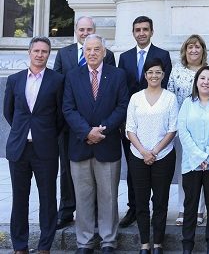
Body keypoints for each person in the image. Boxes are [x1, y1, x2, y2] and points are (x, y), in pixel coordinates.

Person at [62, 34, 129, 253]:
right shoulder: (72, 76)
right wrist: (86, 132)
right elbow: (68, 109)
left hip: (107, 144)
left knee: (108, 196)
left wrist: (102, 130)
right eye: (88, 49)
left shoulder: (117, 75)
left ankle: (108, 240)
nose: (92, 53)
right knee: (83, 197)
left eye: (96, 49)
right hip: (80, 145)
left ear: (104, 52)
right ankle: (85, 241)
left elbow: (122, 106)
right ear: (83, 52)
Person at [52, 15, 115, 230]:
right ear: (76, 31)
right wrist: (78, 125)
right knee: (69, 170)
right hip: (70, 123)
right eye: (81, 29)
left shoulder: (108, 55)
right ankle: (67, 209)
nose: (85, 32)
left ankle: (96, 212)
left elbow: (110, 90)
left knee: (97, 173)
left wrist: (96, 128)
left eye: (89, 29)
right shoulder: (64, 54)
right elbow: (59, 89)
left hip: (100, 126)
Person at [4, 37, 64, 254]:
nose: (40, 55)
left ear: (49, 54)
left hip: (45, 149)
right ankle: (20, 246)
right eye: (36, 50)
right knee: (20, 199)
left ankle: (44, 247)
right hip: (19, 149)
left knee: (48, 199)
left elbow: (60, 116)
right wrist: (24, 132)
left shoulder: (57, 80)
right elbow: (9, 112)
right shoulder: (14, 80)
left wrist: (44, 134)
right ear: (29, 52)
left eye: (44, 51)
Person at [117, 15, 173, 229]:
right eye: (138, 29)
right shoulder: (125, 57)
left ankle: (157, 209)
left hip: (157, 122)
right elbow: (122, 91)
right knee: (134, 168)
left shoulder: (162, 55)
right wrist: (124, 122)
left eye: (145, 29)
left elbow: (164, 86)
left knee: (158, 171)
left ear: (152, 31)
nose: (141, 33)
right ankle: (134, 207)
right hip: (132, 124)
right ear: (133, 32)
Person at [125, 57, 178, 254]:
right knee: (141, 201)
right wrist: (144, 151)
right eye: (150, 72)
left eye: (158, 72)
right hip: (138, 155)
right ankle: (144, 244)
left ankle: (158, 243)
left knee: (160, 201)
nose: (154, 75)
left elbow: (173, 129)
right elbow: (130, 129)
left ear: (163, 75)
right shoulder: (135, 98)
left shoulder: (170, 98)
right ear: (145, 75)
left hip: (163, 155)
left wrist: (154, 151)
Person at [178, 66, 209, 254]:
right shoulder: (187, 103)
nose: (206, 82)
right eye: (202, 78)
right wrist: (199, 157)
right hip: (191, 163)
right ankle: (187, 246)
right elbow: (182, 131)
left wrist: (208, 156)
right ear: (196, 81)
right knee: (190, 206)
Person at [167, 34, 208, 226]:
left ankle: (199, 210)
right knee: (185, 171)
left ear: (202, 50)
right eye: (190, 47)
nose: (194, 50)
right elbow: (171, 99)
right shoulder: (176, 71)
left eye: (197, 47)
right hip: (183, 129)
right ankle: (184, 208)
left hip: (204, 128)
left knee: (202, 169)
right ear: (185, 50)